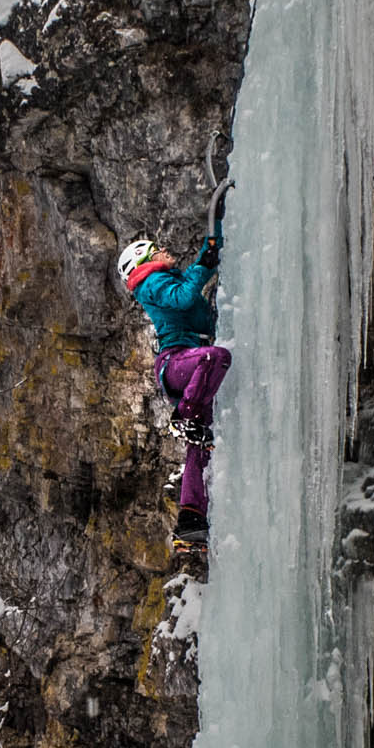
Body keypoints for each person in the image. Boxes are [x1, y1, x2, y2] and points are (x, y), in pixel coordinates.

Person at [118, 233, 230, 551]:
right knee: (216, 356)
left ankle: (190, 521)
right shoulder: (151, 282)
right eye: (156, 249)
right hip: (178, 362)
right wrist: (203, 264)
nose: (165, 251)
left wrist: (212, 247)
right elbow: (181, 297)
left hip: (191, 372)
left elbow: (188, 292)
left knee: (200, 447)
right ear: (144, 260)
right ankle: (182, 418)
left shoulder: (165, 280)